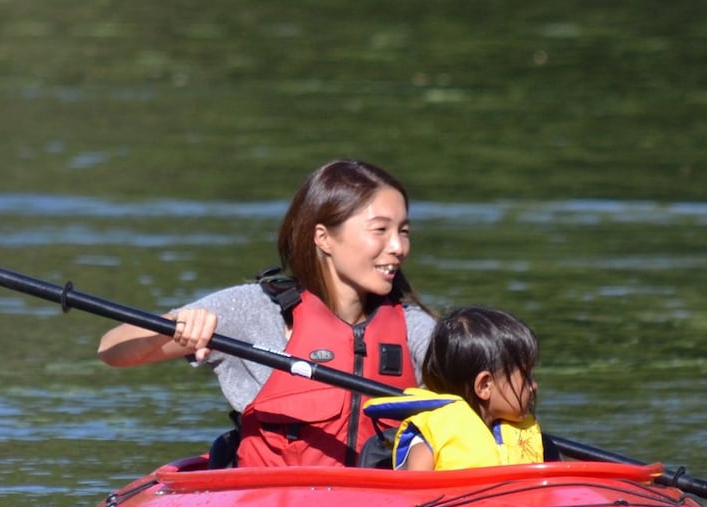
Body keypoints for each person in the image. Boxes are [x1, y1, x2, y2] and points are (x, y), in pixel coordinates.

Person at [97, 159, 435, 467]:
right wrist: (172, 329)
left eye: (403, 231)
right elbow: (114, 350)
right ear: (324, 238)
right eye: (381, 230)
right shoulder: (257, 312)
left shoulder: (413, 328)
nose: (398, 247)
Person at [363, 306, 546, 471]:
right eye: (526, 377)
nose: (534, 385)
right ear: (484, 386)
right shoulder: (432, 435)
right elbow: (413, 496)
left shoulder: (525, 434)